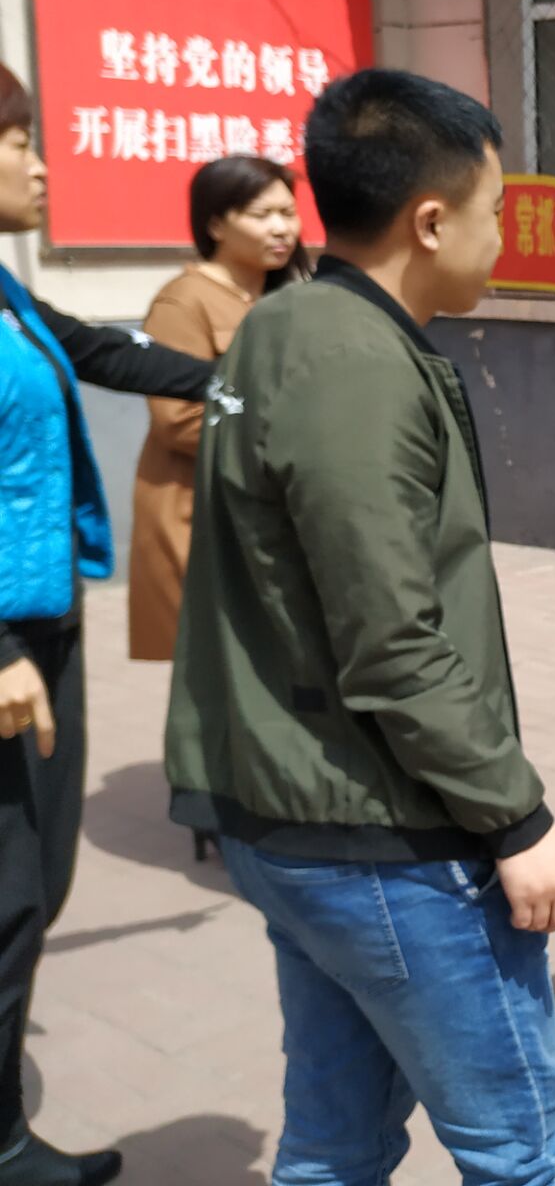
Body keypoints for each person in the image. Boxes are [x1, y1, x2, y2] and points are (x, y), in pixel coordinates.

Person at [163, 69, 555, 1186]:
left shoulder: (286, 323)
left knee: (337, 1142)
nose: (502, 238)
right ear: (432, 220)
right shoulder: (352, 361)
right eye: (496, 211)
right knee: (532, 1145)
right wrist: (518, 820)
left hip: (299, 813)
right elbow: (392, 641)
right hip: (378, 831)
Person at [0, 62, 214, 1186]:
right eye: (18, 141)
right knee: (12, 896)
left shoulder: (6, 291)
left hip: (46, 628)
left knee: (36, 887)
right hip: (8, 652)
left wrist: (235, 379)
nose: (40, 164)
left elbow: (100, 349)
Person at [129, 156, 311, 664]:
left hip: (263, 506)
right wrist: (290, 445)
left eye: (288, 212)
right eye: (261, 214)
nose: (281, 228)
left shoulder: (284, 300)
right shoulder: (184, 301)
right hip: (199, 509)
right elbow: (177, 420)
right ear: (215, 225)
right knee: (221, 664)